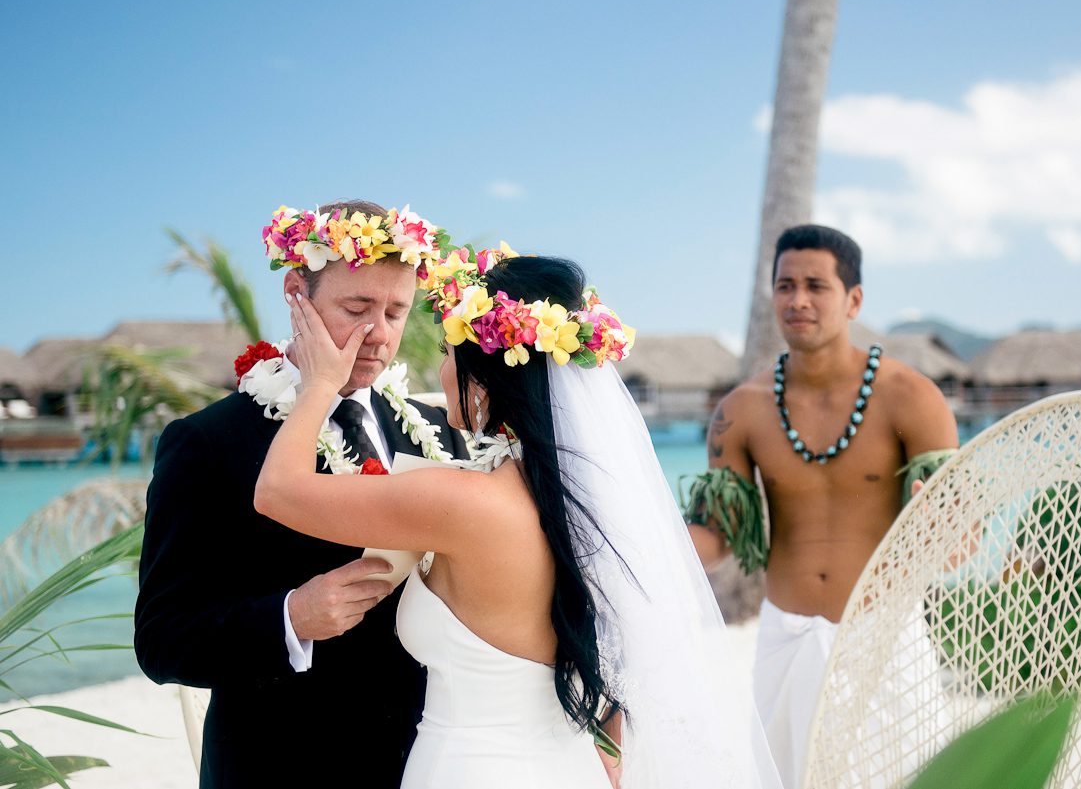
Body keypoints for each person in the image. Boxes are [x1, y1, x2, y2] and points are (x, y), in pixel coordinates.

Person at [255, 244, 784, 788]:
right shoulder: (583, 508)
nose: (439, 368)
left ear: (483, 375)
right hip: (570, 768)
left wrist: (319, 383)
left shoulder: (460, 502)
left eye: (446, 348)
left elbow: (278, 491)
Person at [134, 200, 469, 788]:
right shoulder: (208, 442)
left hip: (429, 758)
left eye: (396, 311)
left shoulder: (440, 432)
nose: (379, 335)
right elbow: (161, 640)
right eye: (356, 308)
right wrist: (290, 618)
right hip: (280, 763)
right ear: (297, 293)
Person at [687, 224, 958, 787]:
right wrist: (634, 544)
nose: (798, 300)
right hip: (784, 636)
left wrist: (952, 526)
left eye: (816, 285)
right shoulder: (742, 411)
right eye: (785, 286)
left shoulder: (911, 396)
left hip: (883, 637)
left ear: (853, 299)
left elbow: (953, 540)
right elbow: (718, 535)